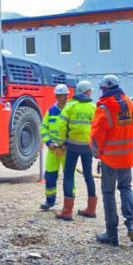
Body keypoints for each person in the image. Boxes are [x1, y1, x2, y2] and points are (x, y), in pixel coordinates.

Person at [91, 74, 133, 246]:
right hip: (127, 158)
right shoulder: (131, 104)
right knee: (126, 188)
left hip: (110, 159)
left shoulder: (105, 108)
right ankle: (132, 225)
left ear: (105, 89)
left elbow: (96, 135)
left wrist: (96, 153)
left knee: (108, 194)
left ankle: (112, 235)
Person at [60, 80, 98, 221]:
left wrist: (62, 142)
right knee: (88, 175)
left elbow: (62, 126)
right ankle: (91, 209)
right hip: (87, 147)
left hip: (72, 146)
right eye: (90, 90)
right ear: (87, 92)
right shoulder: (93, 107)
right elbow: (97, 128)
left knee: (69, 175)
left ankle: (67, 211)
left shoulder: (70, 106)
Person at [39, 84, 70, 212]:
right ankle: (49, 201)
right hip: (53, 149)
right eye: (57, 95)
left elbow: (74, 129)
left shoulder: (70, 110)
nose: (59, 97)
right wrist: (48, 143)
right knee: (50, 175)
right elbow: (43, 127)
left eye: (61, 95)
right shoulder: (51, 111)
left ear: (66, 96)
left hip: (66, 150)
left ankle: (68, 203)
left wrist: (66, 144)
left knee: (68, 177)